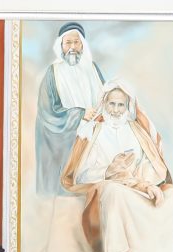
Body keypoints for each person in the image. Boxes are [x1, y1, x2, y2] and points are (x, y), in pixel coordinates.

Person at [61, 82, 173, 252]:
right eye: (112, 104)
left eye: (120, 105)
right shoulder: (94, 131)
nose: (116, 110)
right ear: (104, 103)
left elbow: (150, 164)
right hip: (110, 185)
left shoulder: (136, 130)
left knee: (171, 193)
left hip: (138, 186)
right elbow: (82, 174)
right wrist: (109, 171)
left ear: (127, 106)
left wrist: (143, 182)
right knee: (114, 191)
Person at [36, 22, 105, 196]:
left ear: (82, 45)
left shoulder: (93, 68)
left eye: (76, 42)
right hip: (65, 136)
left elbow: (106, 98)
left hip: (94, 132)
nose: (72, 47)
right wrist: (80, 114)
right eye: (68, 43)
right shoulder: (53, 73)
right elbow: (47, 112)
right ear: (61, 46)